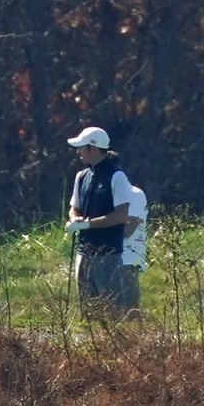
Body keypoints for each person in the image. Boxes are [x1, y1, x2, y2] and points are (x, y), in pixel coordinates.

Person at [65, 126, 133, 317]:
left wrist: (88, 224)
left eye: (81, 148)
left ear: (93, 149)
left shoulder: (117, 176)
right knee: (88, 313)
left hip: (108, 254)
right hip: (84, 253)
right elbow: (74, 207)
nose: (78, 152)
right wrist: (75, 220)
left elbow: (120, 215)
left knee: (112, 312)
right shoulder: (81, 176)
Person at [121, 184, 148, 310]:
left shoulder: (135, 194)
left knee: (129, 309)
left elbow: (128, 230)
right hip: (104, 258)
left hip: (129, 260)